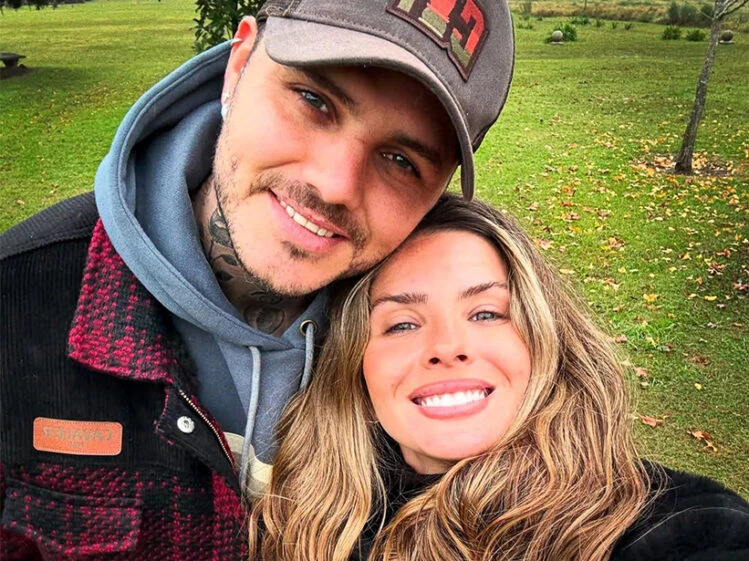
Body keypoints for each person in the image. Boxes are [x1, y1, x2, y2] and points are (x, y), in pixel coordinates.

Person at [0, 1, 516, 558]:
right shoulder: (17, 299)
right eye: (314, 101)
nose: (335, 185)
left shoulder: (455, 348)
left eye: (400, 160)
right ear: (239, 62)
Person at [249, 194, 749, 561]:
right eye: (401, 324)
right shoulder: (296, 520)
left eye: (486, 313)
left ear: (545, 338)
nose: (447, 347)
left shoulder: (676, 525)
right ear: (354, 365)